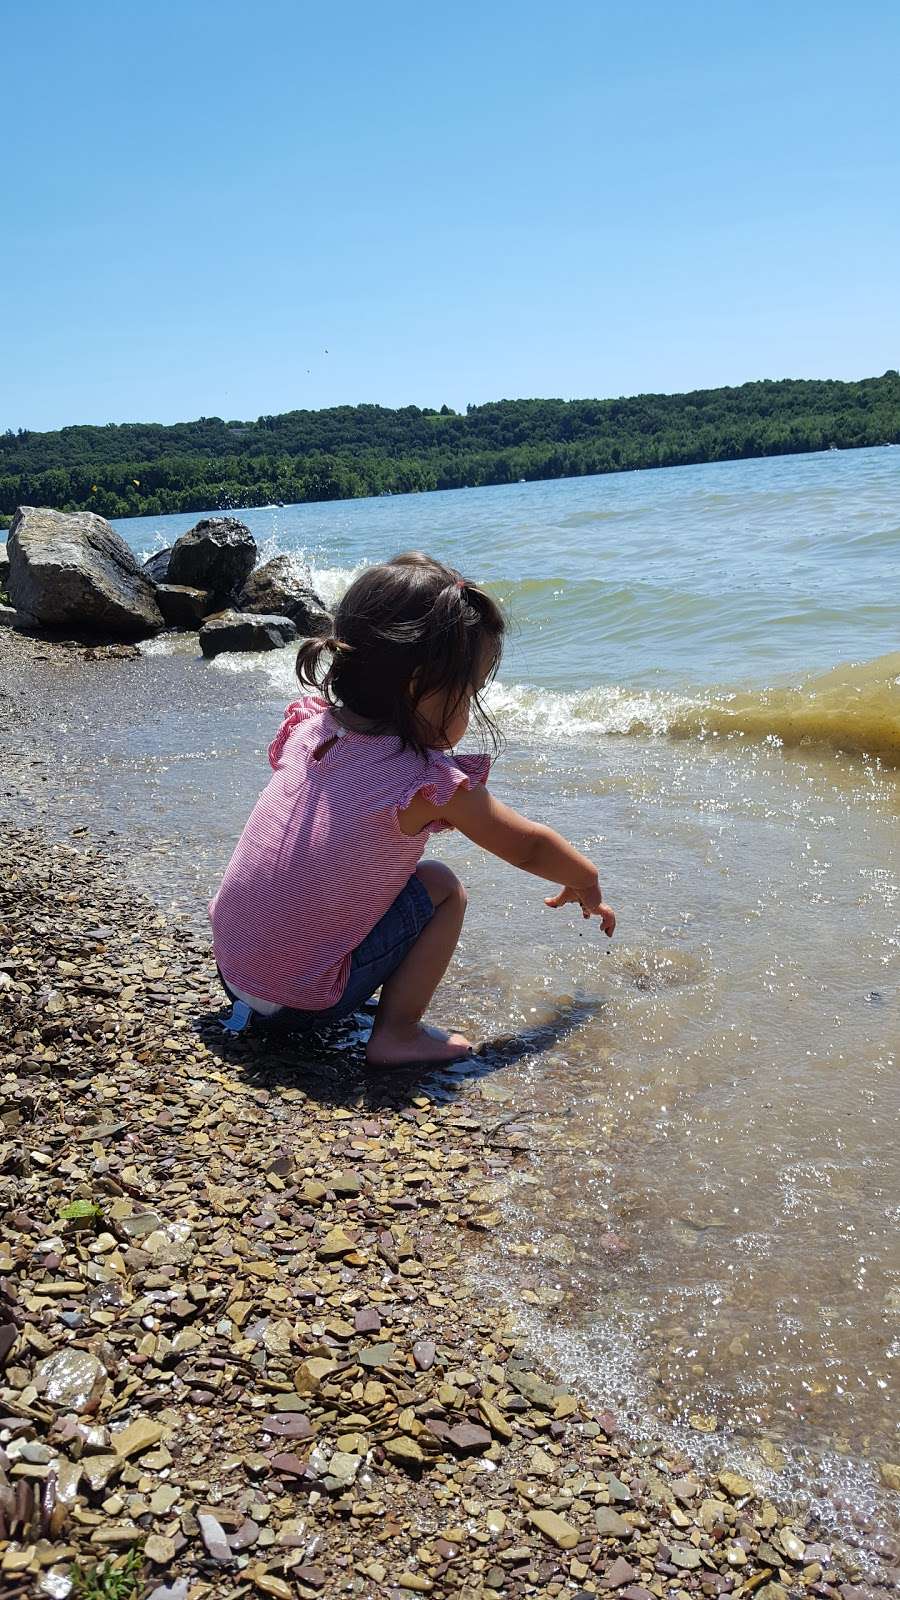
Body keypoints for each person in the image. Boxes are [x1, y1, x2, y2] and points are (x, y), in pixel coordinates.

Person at [210, 551, 615, 1068]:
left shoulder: (312, 728)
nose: (469, 710)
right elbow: (528, 845)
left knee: (379, 869)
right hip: (298, 1004)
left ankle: (309, 973)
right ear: (417, 687)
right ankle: (396, 1034)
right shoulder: (423, 780)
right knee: (442, 886)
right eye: (468, 694)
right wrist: (585, 876)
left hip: (234, 973)